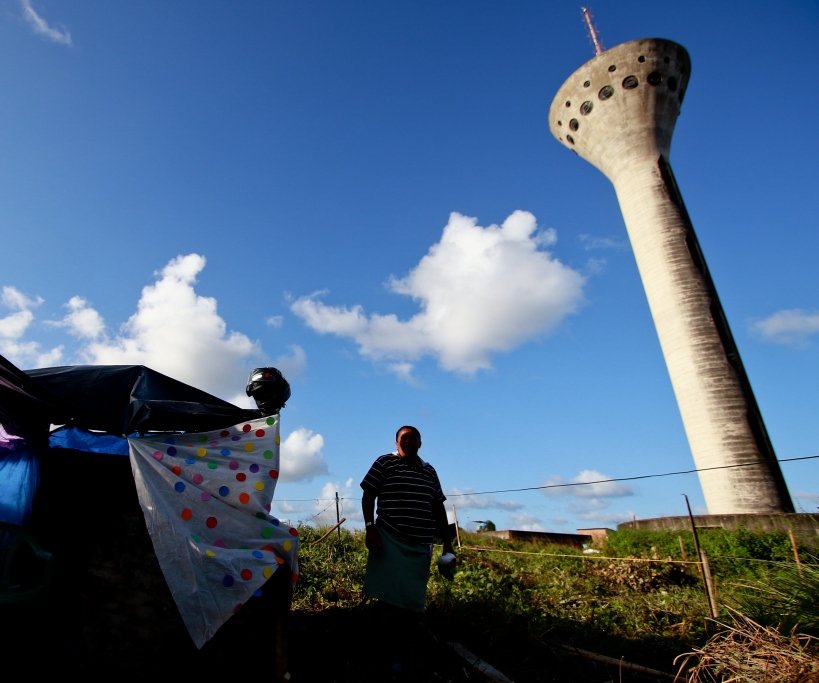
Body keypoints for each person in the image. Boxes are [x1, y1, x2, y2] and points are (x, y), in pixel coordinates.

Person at [360, 425, 456, 671]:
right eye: (404, 438)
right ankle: (383, 654)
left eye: (413, 438)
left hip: (420, 545)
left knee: (413, 604)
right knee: (387, 599)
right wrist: (370, 528)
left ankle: (409, 654)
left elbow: (438, 508)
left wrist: (448, 543)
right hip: (389, 539)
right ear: (396, 443)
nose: (408, 441)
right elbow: (368, 495)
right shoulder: (385, 463)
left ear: (420, 443)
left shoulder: (429, 471)